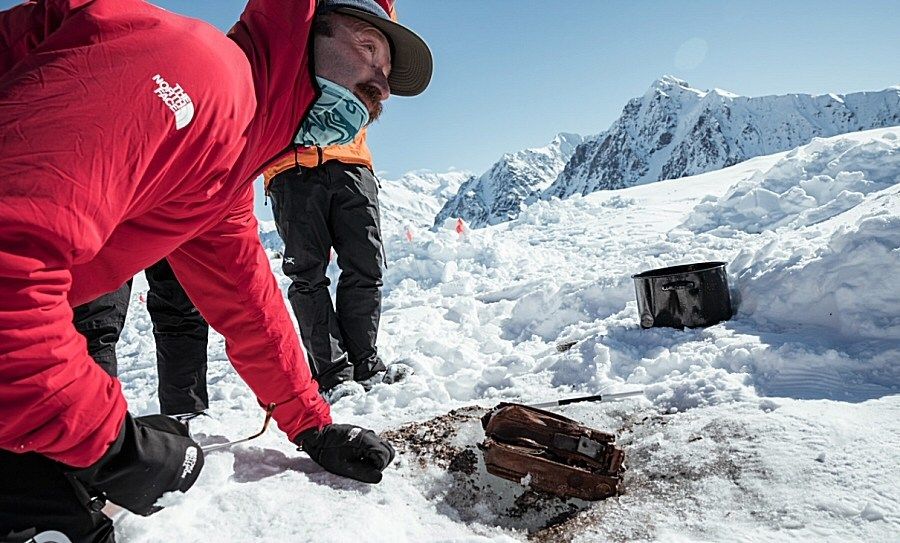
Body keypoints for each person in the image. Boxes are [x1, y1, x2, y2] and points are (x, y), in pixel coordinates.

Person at [0, 0, 432, 541]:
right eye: (369, 49)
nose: (380, 88)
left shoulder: (230, 159)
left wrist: (314, 426)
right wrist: (109, 442)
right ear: (307, 29)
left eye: (387, 77)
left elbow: (250, 307)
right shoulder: (197, 72)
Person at [74, 259, 210, 416]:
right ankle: (95, 424)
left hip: (167, 237)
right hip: (107, 239)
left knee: (181, 310)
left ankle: (185, 412)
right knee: (96, 328)